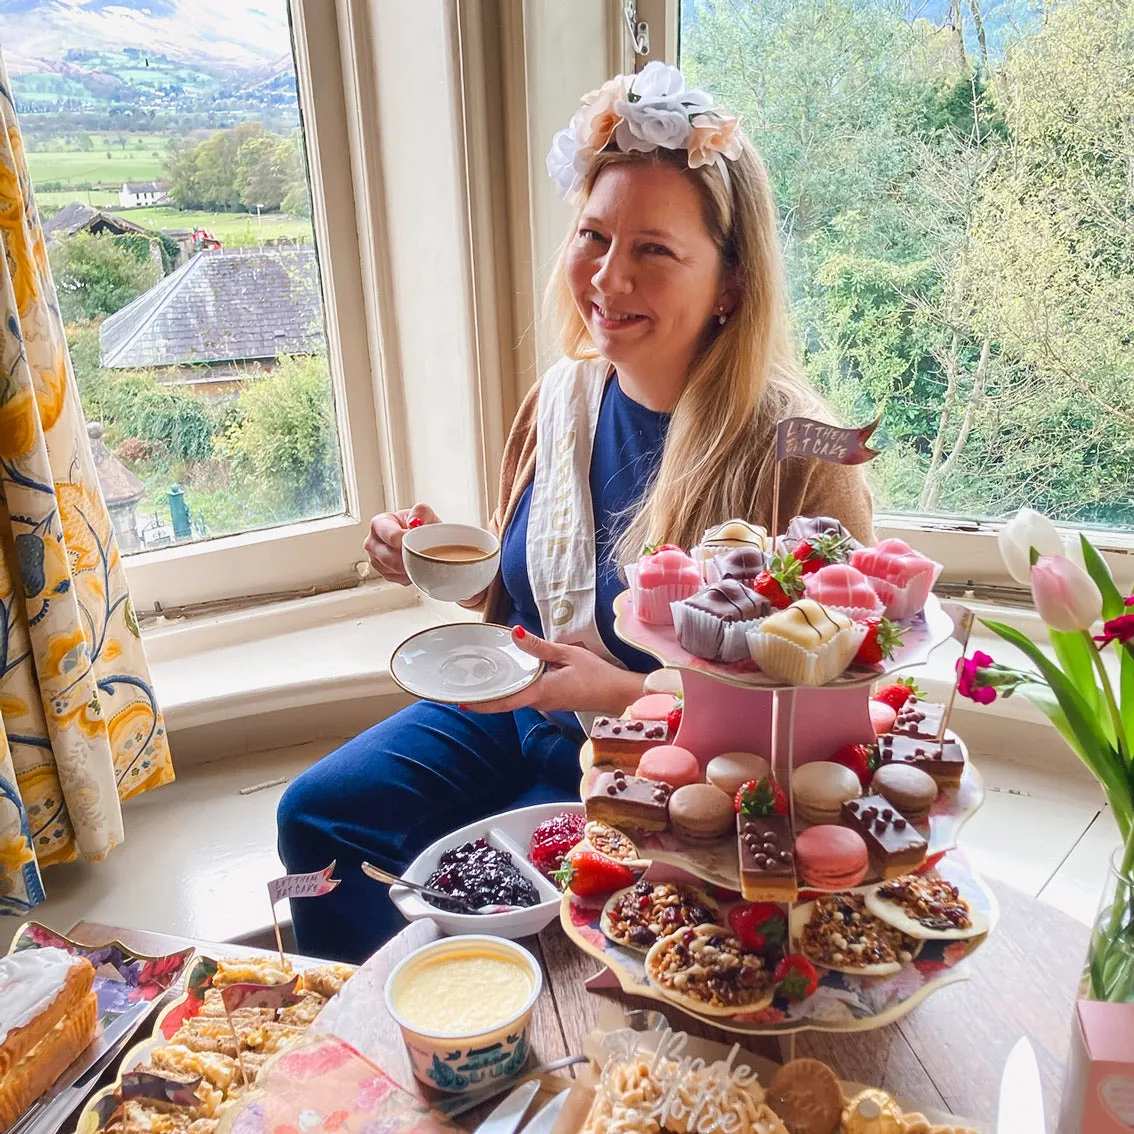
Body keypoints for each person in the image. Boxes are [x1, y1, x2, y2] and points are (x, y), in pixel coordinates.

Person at [277, 63, 874, 962]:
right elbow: (538, 587)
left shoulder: (806, 452)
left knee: (511, 904)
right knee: (314, 821)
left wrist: (629, 695)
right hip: (516, 716)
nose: (606, 277)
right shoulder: (560, 398)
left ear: (732, 284)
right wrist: (430, 562)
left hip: (656, 766)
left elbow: (828, 709)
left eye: (654, 250)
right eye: (594, 236)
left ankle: (492, 1021)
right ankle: (374, 1018)